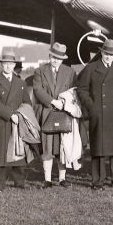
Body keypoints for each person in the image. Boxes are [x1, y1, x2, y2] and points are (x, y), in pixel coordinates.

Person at [77, 39, 113, 190]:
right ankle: (97, 182)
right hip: (98, 114)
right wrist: (92, 106)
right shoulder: (91, 68)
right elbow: (81, 89)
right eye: (106, 53)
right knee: (98, 149)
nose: (108, 56)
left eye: (111, 54)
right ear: (101, 52)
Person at [33, 42, 78, 188]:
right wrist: (52, 101)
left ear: (63, 59)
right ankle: (47, 179)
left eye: (59, 58)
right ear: (49, 55)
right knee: (47, 147)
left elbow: (74, 91)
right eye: (53, 57)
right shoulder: (40, 71)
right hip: (46, 113)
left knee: (62, 146)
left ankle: (62, 178)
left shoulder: (70, 72)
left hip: (64, 114)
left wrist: (64, 103)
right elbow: (38, 90)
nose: (55, 60)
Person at [0, 50, 32, 191]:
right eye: (5, 64)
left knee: (19, 151)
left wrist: (20, 115)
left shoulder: (21, 83)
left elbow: (27, 102)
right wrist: (10, 115)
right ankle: (0, 184)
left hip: (17, 122)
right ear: (2, 65)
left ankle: (20, 182)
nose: (8, 66)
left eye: (10, 64)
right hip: (1, 122)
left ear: (14, 65)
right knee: (0, 154)